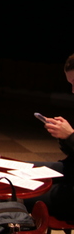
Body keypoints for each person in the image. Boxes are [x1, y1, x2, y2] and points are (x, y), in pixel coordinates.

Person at [24, 52, 74, 221]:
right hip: (70, 169)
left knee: (19, 194)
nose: (73, 91)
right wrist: (63, 136)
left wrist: (71, 136)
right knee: (22, 171)